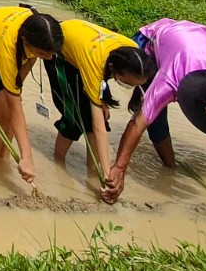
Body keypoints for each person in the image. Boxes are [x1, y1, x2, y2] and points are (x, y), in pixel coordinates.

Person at [102, 18, 206, 204]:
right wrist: (120, 168)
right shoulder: (170, 79)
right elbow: (139, 123)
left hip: (203, 39)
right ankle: (169, 165)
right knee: (154, 113)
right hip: (156, 39)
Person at [45, 19, 157, 188]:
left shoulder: (133, 51)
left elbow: (103, 77)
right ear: (113, 69)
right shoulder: (96, 63)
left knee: (98, 118)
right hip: (60, 50)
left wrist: (103, 101)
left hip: (87, 49)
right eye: (127, 84)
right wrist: (107, 173)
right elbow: (99, 128)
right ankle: (58, 163)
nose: (130, 87)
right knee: (74, 116)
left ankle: (92, 173)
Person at [0, 5, 64, 184]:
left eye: (51, 54)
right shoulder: (9, 48)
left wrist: (17, 86)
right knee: (2, 112)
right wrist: (27, 157)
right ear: (26, 41)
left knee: (11, 105)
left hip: (11, 39)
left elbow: (31, 58)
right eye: (43, 53)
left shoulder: (43, 33)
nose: (48, 58)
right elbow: (15, 108)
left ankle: (4, 158)